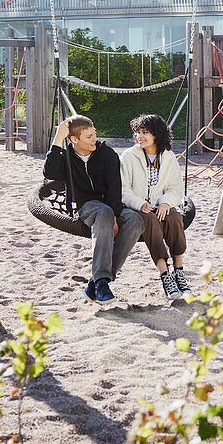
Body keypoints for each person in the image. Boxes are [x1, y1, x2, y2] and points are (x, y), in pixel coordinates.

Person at [45, 114, 144, 304]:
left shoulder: (106, 153)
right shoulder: (66, 156)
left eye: (94, 134)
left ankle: (98, 281)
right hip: (86, 206)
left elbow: (115, 187)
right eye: (88, 136)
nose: (94, 140)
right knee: (103, 212)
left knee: (135, 220)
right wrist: (58, 139)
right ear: (74, 139)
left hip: (110, 204)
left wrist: (115, 215)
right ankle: (101, 282)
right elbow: (49, 173)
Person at [120, 114, 192, 302]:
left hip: (160, 205)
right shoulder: (128, 157)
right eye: (138, 132)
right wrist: (140, 204)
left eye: (145, 132)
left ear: (156, 134)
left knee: (175, 217)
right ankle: (165, 275)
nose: (139, 137)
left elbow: (176, 188)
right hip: (137, 209)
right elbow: (123, 190)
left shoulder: (168, 157)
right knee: (150, 220)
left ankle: (179, 271)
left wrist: (167, 202)